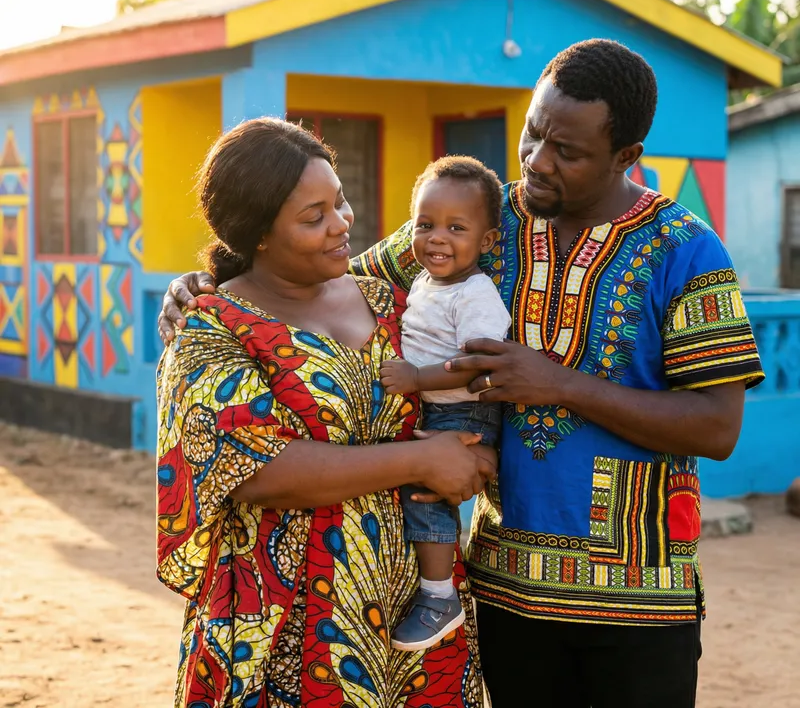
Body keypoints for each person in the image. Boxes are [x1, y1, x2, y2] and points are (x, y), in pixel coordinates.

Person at [158, 40, 765, 708]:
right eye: (533, 134)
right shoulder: (481, 217)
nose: (537, 161)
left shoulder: (686, 250)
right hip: (501, 589)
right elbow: (326, 274)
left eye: (568, 151)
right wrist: (206, 283)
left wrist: (560, 383)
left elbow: (716, 426)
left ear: (626, 157)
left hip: (640, 600)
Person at [156, 118, 495, 708]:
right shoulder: (213, 329)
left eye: (339, 201)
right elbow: (258, 472)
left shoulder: (392, 295)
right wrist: (424, 458)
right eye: (314, 218)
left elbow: (485, 201)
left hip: (416, 616)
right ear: (257, 233)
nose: (341, 225)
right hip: (283, 624)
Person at [378, 157, 511, 652]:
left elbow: (479, 364)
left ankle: (439, 597)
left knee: (425, 494)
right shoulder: (424, 282)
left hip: (464, 411)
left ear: (487, 241)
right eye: (425, 225)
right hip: (436, 406)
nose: (436, 238)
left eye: (456, 228)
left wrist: (415, 376)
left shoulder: (475, 294)